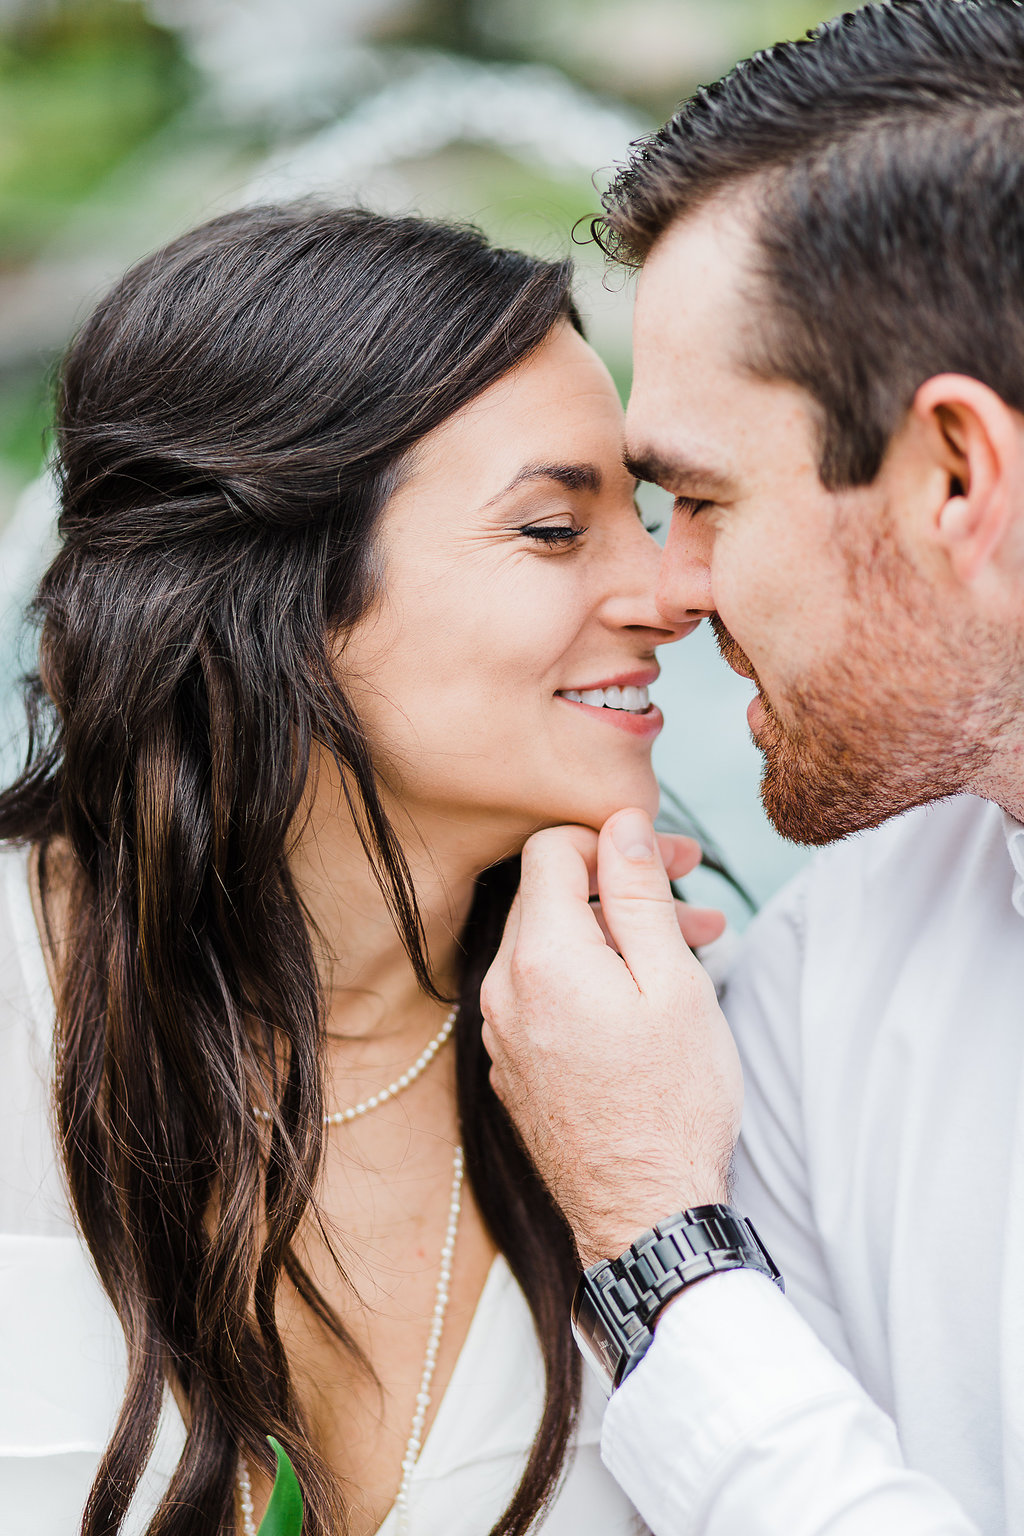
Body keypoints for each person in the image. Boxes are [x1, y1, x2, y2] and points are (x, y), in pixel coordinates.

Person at [0, 204, 727, 1536]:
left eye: (652, 511)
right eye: (555, 531)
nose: (675, 589)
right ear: (268, 582)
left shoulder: (672, 1060)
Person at [480, 2, 1024, 1533]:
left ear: (957, 477)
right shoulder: (839, 953)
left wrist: (655, 1228)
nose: (671, 586)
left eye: (702, 500)